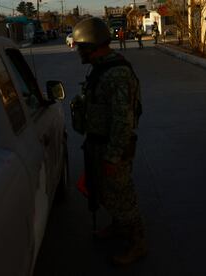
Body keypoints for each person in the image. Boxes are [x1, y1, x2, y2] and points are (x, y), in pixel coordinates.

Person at [70, 17, 146, 266]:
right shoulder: (100, 68)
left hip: (113, 147)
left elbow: (123, 121)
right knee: (107, 193)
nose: (78, 51)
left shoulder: (117, 73)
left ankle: (137, 243)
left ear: (93, 45)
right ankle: (117, 226)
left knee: (123, 197)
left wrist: (112, 156)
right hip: (98, 142)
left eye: (81, 46)